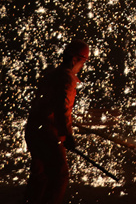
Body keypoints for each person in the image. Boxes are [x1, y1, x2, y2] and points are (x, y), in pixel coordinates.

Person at [24, 39, 90, 204]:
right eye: (82, 62)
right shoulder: (66, 79)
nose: (82, 66)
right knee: (59, 176)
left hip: (34, 129)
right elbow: (62, 109)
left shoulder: (52, 74)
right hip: (47, 133)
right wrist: (67, 134)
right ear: (75, 59)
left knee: (40, 176)